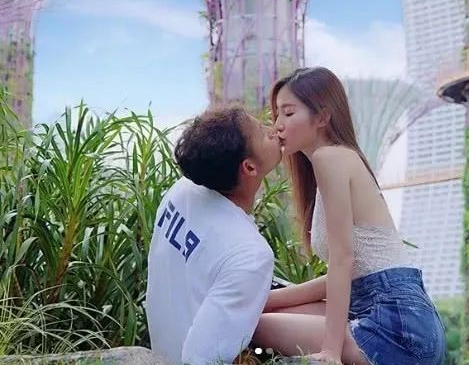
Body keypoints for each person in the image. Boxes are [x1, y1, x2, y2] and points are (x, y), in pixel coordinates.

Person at [254, 67, 446, 365]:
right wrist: (264, 300)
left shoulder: (330, 158)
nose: (278, 125)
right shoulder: (333, 162)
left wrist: (330, 353)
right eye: (277, 114)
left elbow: (342, 259)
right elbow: (352, 272)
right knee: (255, 313)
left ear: (322, 117)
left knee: (253, 324)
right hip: (393, 312)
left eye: (288, 113)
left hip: (398, 325)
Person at [146, 106, 283, 364]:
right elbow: (201, 359)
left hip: (163, 349)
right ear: (249, 167)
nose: (274, 130)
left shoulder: (182, 191)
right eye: (263, 132)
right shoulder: (250, 254)